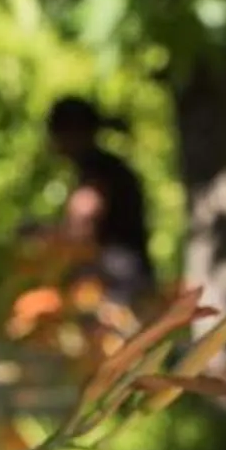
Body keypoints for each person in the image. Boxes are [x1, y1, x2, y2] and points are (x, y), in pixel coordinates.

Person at [44, 95, 159, 306]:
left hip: (118, 281)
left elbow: (83, 223)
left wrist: (45, 237)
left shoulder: (96, 169)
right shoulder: (106, 167)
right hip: (129, 276)